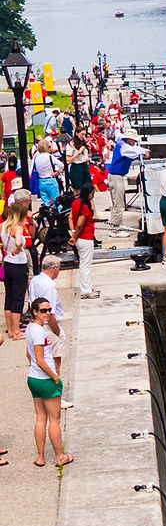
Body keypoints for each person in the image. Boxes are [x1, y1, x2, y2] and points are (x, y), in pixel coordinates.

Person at [25, 297, 74, 468]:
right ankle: (60, 457)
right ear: (35, 312)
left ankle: (40, 457)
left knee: (40, 417)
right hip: (45, 380)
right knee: (54, 420)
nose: (47, 313)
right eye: (43, 310)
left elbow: (28, 355)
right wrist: (54, 377)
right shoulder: (39, 331)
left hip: (33, 379)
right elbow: (39, 359)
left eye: (49, 310)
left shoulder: (30, 328)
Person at [27, 256, 71, 409]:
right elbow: (49, 312)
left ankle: (46, 392)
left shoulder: (35, 280)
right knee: (54, 362)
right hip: (48, 326)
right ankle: (55, 396)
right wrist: (57, 330)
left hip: (36, 322)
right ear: (55, 269)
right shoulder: (49, 286)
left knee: (40, 359)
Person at [106, 128, 148, 228]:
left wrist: (143, 150)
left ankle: (116, 225)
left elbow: (134, 150)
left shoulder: (123, 144)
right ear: (129, 139)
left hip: (116, 176)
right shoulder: (123, 146)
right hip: (116, 177)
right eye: (134, 140)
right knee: (119, 204)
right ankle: (116, 229)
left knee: (117, 203)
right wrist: (142, 152)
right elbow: (131, 152)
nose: (135, 142)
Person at [1, 200, 30, 341]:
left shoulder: (3, 226)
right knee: (18, 298)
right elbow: (19, 242)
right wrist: (18, 249)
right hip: (18, 264)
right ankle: (17, 331)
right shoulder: (17, 228)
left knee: (9, 297)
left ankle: (10, 330)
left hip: (7, 264)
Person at [68, 183, 99, 299]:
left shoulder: (76, 203)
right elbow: (80, 224)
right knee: (85, 265)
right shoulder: (84, 207)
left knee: (85, 264)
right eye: (92, 194)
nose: (93, 197)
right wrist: (74, 236)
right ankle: (85, 290)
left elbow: (70, 217)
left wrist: (72, 231)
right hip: (85, 238)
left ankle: (88, 286)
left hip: (81, 238)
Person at [32, 139, 64, 208]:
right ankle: (59, 215)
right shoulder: (49, 156)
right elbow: (61, 165)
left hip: (41, 180)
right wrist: (57, 172)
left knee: (45, 202)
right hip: (50, 180)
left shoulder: (36, 157)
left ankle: (45, 217)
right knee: (56, 201)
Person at [66, 126, 91, 195]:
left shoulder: (83, 142)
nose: (83, 136)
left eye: (84, 135)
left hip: (85, 166)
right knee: (77, 190)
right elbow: (68, 160)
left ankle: (89, 205)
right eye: (82, 134)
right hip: (77, 167)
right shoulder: (71, 144)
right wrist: (78, 152)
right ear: (77, 133)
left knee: (88, 189)